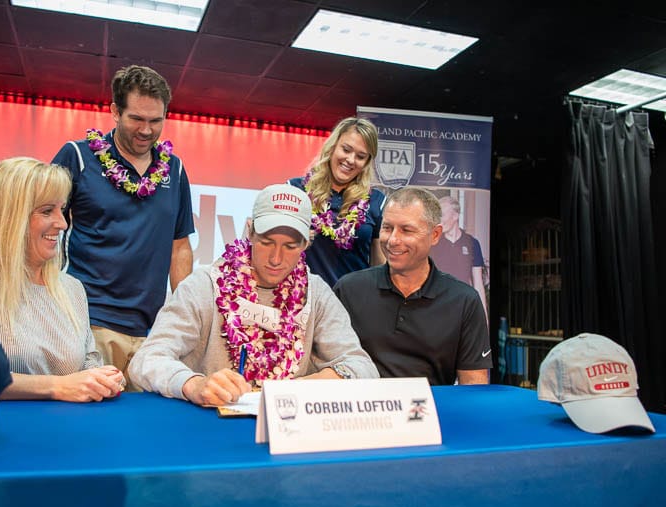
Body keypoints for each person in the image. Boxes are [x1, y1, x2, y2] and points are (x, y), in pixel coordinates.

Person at [130, 184, 379, 406]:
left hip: (288, 434)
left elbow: (362, 368)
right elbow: (146, 361)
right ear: (250, 231)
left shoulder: (316, 294)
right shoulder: (203, 286)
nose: (276, 258)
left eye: (290, 246)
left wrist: (296, 389)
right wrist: (194, 384)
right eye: (267, 242)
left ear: (306, 244)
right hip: (210, 431)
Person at [0, 157, 124, 402]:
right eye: (47, 211)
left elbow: (87, 363)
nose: (63, 223)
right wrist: (58, 386)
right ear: (9, 216)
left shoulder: (72, 288)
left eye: (62, 210)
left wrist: (102, 378)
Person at [52, 65, 194, 390]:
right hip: (87, 322)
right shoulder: (78, 156)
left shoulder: (175, 168)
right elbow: (40, 226)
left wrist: (183, 318)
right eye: (136, 119)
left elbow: (179, 246)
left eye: (155, 121)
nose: (146, 130)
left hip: (151, 332)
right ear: (115, 111)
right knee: (86, 427)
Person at [333, 187, 491, 385]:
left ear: (435, 235)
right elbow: (328, 364)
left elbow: (474, 386)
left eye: (406, 230)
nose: (393, 240)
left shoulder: (464, 301)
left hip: (432, 413)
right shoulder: (349, 290)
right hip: (364, 414)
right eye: (387, 228)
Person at [288, 116, 385, 287]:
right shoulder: (296, 190)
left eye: (361, 156)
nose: (350, 160)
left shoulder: (376, 201)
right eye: (346, 149)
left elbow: (379, 266)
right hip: (303, 300)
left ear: (367, 162)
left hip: (353, 304)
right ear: (333, 146)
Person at [430, 195, 488, 317]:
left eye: (442, 215)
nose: (439, 221)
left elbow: (478, 284)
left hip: (463, 309)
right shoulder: (433, 243)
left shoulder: (472, 243)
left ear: (455, 216)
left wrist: (484, 318)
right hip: (438, 309)